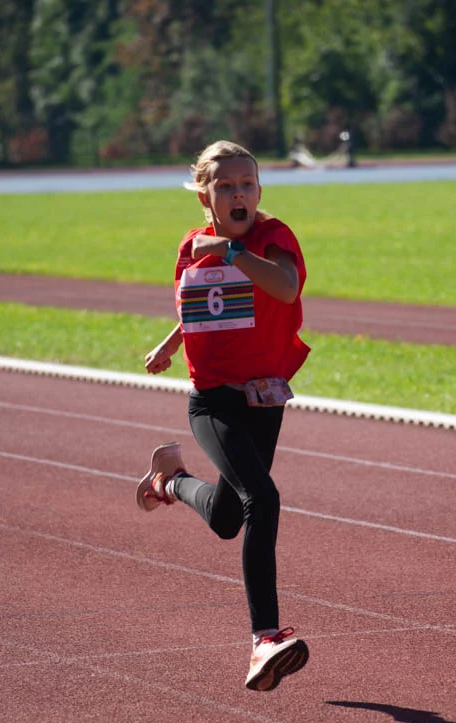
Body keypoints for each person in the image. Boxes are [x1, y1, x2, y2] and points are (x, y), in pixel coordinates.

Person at [137, 140, 311, 692]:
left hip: (264, 396)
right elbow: (204, 307)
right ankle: (265, 639)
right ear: (205, 196)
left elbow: (284, 289)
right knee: (265, 498)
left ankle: (169, 480)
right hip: (213, 399)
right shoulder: (193, 247)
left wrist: (233, 252)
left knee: (228, 518)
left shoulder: (272, 237)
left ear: (259, 192)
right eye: (226, 186)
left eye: (248, 185)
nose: (240, 194)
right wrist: (171, 343)